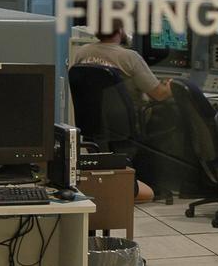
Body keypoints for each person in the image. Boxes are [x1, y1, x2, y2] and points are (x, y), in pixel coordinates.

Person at [72, 23, 172, 201]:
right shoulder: (129, 57)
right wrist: (172, 86)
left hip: (92, 122)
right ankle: (156, 182)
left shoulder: (82, 52)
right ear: (120, 30)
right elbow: (159, 94)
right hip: (123, 121)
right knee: (166, 115)